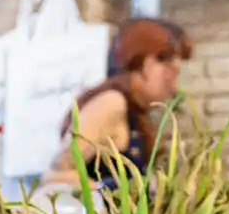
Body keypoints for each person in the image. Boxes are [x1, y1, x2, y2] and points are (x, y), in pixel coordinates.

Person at [52, 17, 193, 179]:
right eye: (172, 71)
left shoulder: (134, 115)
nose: (174, 87)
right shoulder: (112, 103)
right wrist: (104, 191)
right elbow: (56, 174)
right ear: (146, 63)